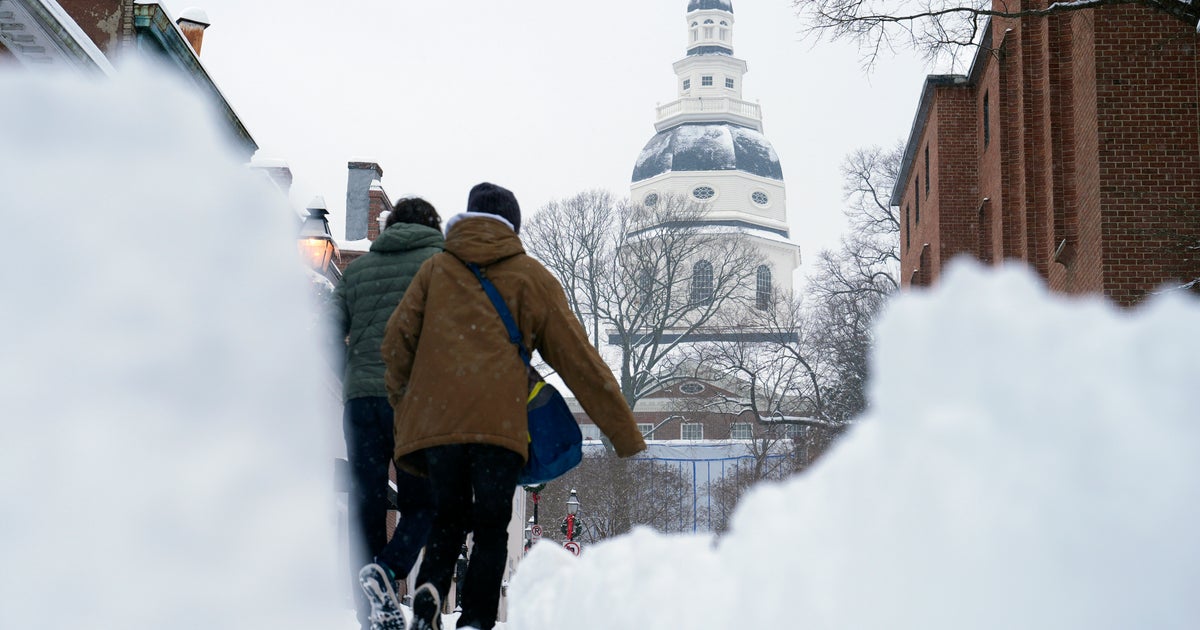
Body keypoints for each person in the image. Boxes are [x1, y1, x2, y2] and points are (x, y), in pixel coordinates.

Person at [382, 182, 647, 630]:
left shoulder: (434, 271)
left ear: (467, 219)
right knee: (491, 526)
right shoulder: (530, 276)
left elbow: (395, 345)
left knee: (447, 517)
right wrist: (623, 432)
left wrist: (409, 406)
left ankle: (426, 603)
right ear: (512, 227)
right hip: (499, 429)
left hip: (439, 426)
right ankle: (476, 619)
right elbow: (579, 359)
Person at [333, 197, 445, 630]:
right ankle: (388, 570)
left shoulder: (357, 272)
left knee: (366, 504)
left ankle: (370, 614)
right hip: (415, 401)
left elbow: (325, 329)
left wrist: (351, 375)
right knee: (423, 503)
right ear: (432, 226)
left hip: (360, 403)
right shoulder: (440, 266)